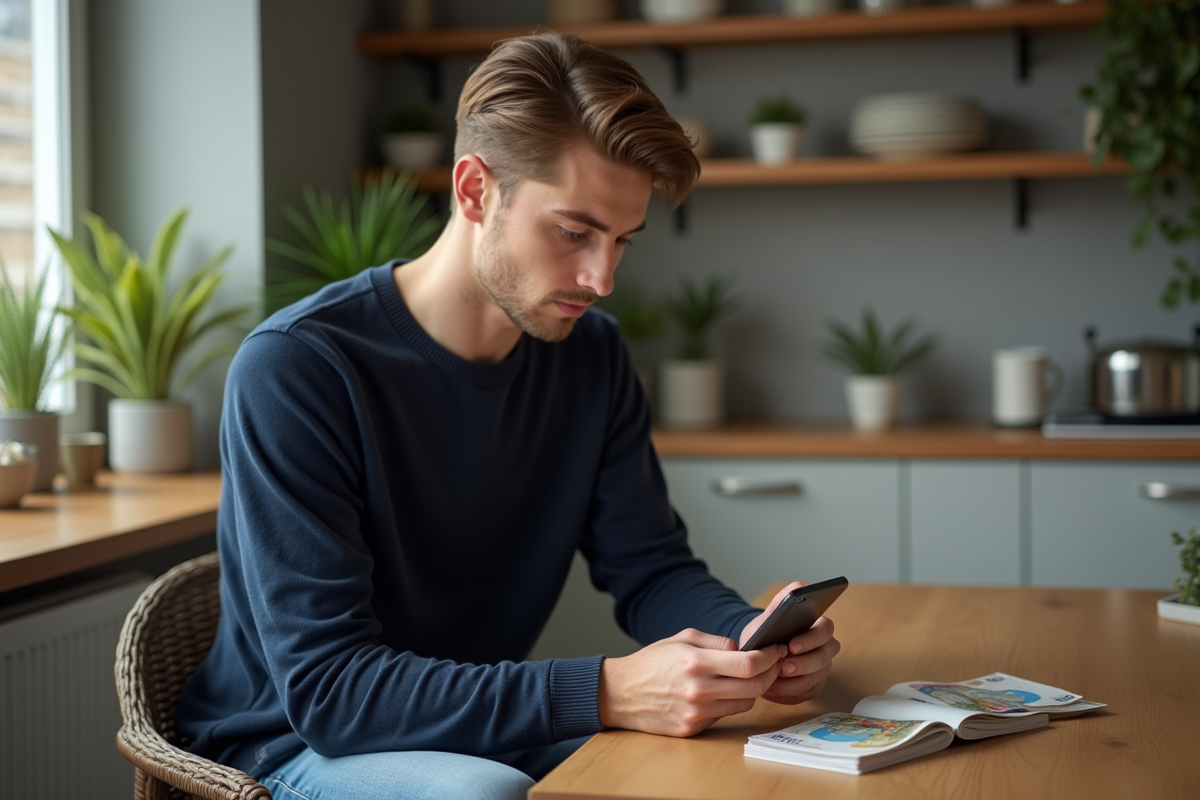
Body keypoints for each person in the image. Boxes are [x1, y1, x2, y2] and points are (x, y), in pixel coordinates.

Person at [176, 31, 840, 800]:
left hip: (471, 728)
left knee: (732, 763)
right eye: (574, 232)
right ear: (474, 191)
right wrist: (607, 689)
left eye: (622, 240)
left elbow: (650, 567)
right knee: (482, 794)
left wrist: (748, 638)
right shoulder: (299, 368)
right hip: (292, 744)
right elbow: (332, 692)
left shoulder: (592, 356)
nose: (602, 278)